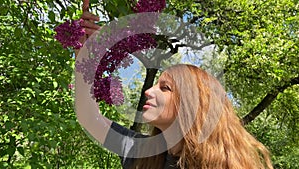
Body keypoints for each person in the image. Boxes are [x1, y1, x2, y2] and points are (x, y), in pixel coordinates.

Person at [75, 12, 273, 169]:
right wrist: (86, 59)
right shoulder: (140, 153)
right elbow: (89, 117)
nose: (149, 91)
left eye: (165, 88)